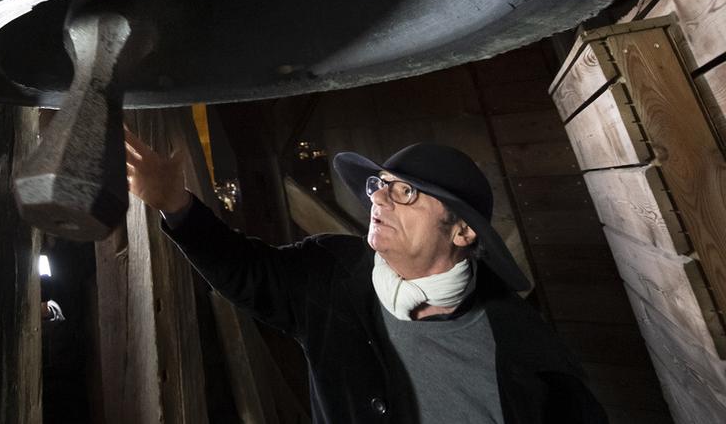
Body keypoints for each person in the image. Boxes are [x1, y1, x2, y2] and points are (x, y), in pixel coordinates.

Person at [125, 134, 606, 423]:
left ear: (461, 231)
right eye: (379, 186)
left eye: (405, 192)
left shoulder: (527, 343)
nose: (378, 199)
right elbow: (246, 272)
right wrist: (175, 203)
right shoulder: (330, 274)